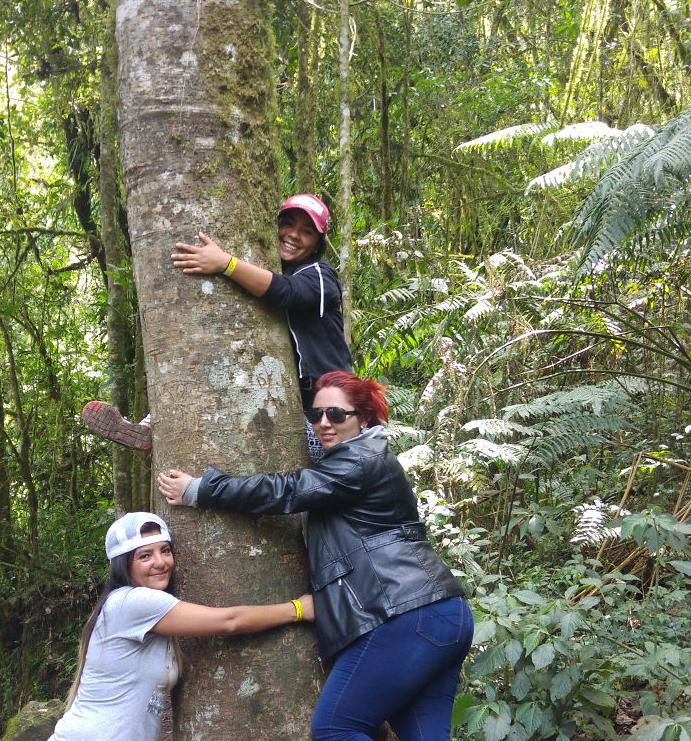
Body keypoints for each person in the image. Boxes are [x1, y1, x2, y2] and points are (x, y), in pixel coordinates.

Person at [157, 372, 473, 741]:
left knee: (336, 728)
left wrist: (202, 489)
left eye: (337, 415)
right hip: (442, 614)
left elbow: (289, 490)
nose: (324, 423)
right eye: (316, 414)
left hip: (406, 613)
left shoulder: (360, 459)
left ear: (364, 418)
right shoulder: (356, 457)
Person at [82, 194, 351, 454]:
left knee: (323, 474)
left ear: (318, 243)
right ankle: (151, 424)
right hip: (290, 395)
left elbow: (286, 291)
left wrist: (226, 263)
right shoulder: (274, 269)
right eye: (287, 224)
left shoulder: (319, 275)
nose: (293, 234)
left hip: (332, 405)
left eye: (306, 231)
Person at [47, 511, 314, 741]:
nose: (161, 562)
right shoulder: (132, 602)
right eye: (145, 556)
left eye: (165, 550)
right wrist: (298, 609)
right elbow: (229, 622)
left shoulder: (144, 613)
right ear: (123, 564)